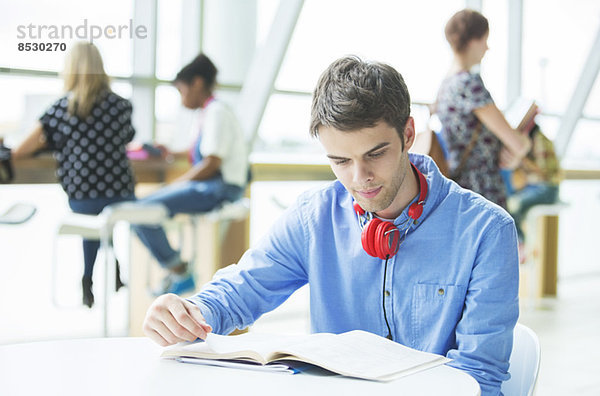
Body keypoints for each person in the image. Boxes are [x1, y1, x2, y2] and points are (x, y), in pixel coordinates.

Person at [142, 55, 519, 395]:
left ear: (407, 134)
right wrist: (187, 313)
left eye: (376, 154)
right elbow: (241, 291)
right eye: (340, 160)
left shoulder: (486, 231)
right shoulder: (314, 217)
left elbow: (477, 378)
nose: (361, 179)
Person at [12, 41, 136, 308]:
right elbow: (127, 138)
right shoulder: (122, 106)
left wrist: (50, 143)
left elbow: (20, 150)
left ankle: (88, 278)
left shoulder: (61, 109)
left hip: (82, 192)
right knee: (107, 220)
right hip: (120, 192)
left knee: (92, 221)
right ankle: (113, 271)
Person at [132, 53, 249, 296]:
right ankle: (177, 269)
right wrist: (169, 153)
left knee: (140, 212)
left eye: (181, 90)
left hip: (220, 188)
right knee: (143, 210)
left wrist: (177, 185)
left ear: (196, 83)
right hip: (218, 185)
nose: (181, 98)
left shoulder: (216, 112)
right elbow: (204, 154)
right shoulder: (209, 112)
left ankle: (179, 271)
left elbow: (211, 163)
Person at [435, 9, 531, 209]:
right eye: (485, 40)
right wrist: (524, 144)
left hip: (460, 186)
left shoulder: (445, 86)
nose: (487, 47)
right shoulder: (469, 84)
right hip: (482, 189)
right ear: (472, 41)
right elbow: (517, 144)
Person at [506, 124, 561, 243]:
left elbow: (543, 172)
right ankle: (518, 241)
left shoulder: (540, 142)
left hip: (547, 188)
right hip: (539, 187)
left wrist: (522, 158)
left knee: (515, 205)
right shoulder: (538, 141)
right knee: (509, 201)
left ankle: (519, 243)